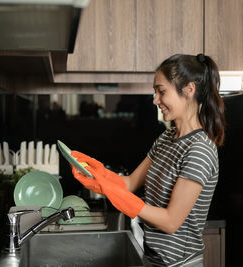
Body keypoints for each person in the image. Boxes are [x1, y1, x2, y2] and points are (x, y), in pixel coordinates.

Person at [70, 53, 226, 267]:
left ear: (189, 90)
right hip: (154, 258)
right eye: (155, 92)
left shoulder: (199, 149)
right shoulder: (167, 138)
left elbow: (171, 222)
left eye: (161, 91)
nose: (155, 100)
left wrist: (127, 201)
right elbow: (131, 182)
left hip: (179, 264)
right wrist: (97, 173)